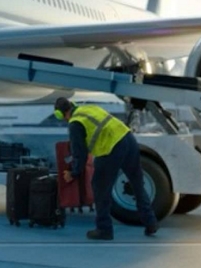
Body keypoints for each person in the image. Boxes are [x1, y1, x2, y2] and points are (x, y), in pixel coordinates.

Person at [54, 97, 158, 240]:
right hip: (127, 138)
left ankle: (104, 229)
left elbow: (80, 154)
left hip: (110, 148)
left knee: (100, 188)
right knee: (137, 184)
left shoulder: (75, 123)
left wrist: (73, 173)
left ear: (60, 114)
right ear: (73, 105)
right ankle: (150, 222)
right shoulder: (89, 108)